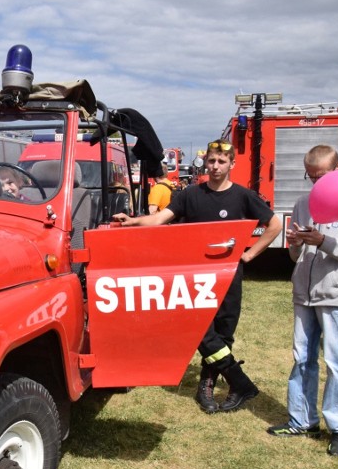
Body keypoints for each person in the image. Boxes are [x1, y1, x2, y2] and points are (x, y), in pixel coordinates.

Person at [113, 139, 281, 413]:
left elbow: (274, 224)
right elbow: (158, 220)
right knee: (201, 330)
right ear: (205, 162)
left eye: (221, 162)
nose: (215, 167)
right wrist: (132, 221)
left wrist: (249, 255)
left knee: (224, 332)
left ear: (231, 165)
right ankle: (239, 382)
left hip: (228, 274)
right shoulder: (190, 194)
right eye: (211, 161)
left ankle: (207, 383)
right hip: (195, 276)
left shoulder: (243, 196)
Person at [268, 145, 338, 456]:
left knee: (336, 363)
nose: (315, 184)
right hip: (304, 294)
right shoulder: (303, 203)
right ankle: (301, 419)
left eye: (321, 177)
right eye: (310, 178)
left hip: (337, 294)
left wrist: (324, 241)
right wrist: (296, 244)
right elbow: (295, 254)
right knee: (302, 358)